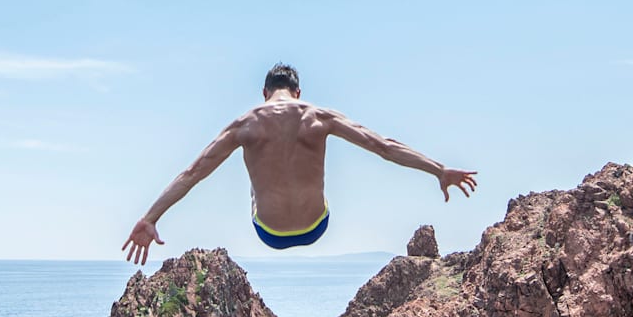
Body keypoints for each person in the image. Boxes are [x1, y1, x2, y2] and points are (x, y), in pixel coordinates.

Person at [122, 63, 477, 264]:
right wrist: (438, 169)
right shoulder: (319, 116)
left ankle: (264, 199)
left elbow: (191, 174)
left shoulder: (245, 125)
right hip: (316, 225)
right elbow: (384, 146)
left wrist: (150, 218)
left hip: (269, 233)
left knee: (254, 171)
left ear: (264, 93)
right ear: (298, 92)